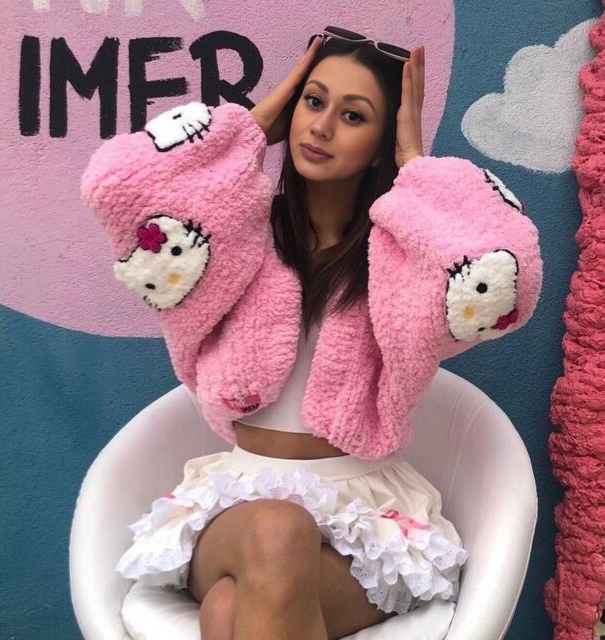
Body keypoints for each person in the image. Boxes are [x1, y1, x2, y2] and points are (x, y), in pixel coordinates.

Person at [81, 27, 542, 640]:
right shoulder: (234, 235)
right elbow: (118, 187)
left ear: (380, 143)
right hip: (235, 504)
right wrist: (251, 125)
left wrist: (416, 170)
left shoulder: (398, 255)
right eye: (313, 101)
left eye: (353, 115)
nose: (321, 126)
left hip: (363, 513)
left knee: (228, 613)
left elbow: (501, 279)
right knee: (277, 530)